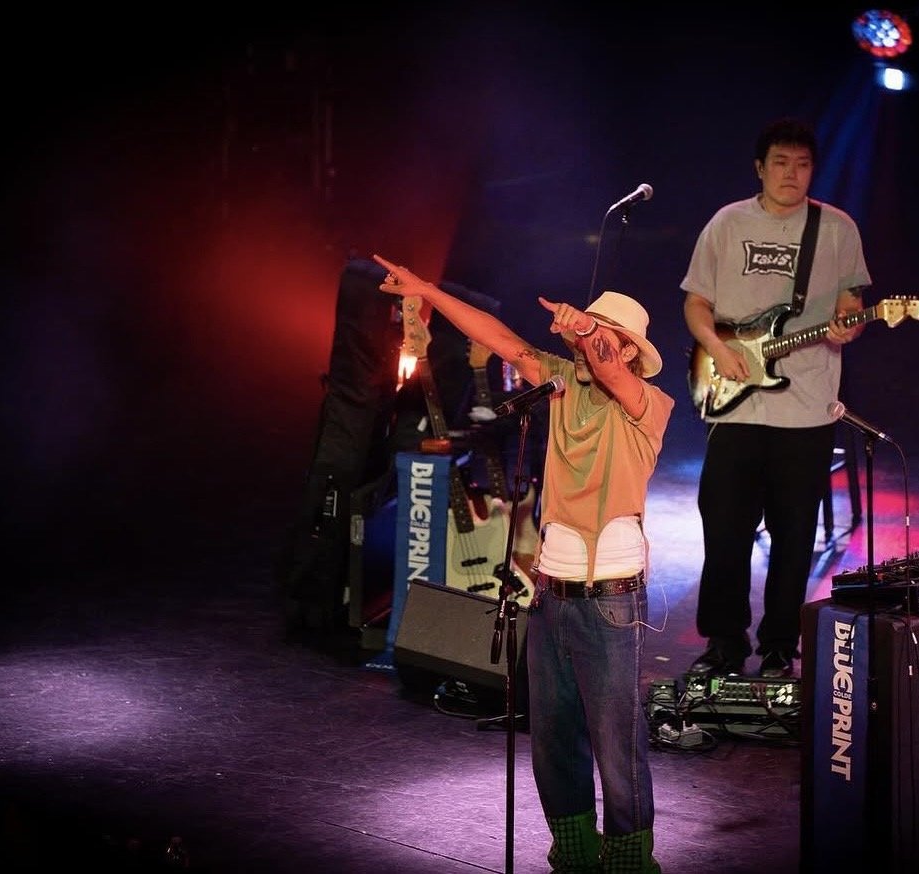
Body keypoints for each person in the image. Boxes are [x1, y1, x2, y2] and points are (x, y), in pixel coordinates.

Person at [373, 253, 670, 873]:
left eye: (605, 335)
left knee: (617, 743)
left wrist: (586, 328)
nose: (589, 344)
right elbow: (497, 335)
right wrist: (428, 291)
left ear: (629, 352)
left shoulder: (645, 402)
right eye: (588, 332)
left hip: (610, 600)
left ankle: (629, 860)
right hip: (550, 596)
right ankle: (575, 852)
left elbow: (610, 368)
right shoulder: (558, 382)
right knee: (552, 736)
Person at [681, 117, 872, 679]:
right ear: (760, 168)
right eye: (781, 163)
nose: (792, 174)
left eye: (803, 164)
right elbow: (696, 302)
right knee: (724, 529)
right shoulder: (727, 223)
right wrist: (718, 347)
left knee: (794, 535)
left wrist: (850, 325)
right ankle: (724, 642)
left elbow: (851, 305)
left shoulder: (836, 229)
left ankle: (780, 645)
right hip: (735, 401)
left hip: (806, 406)